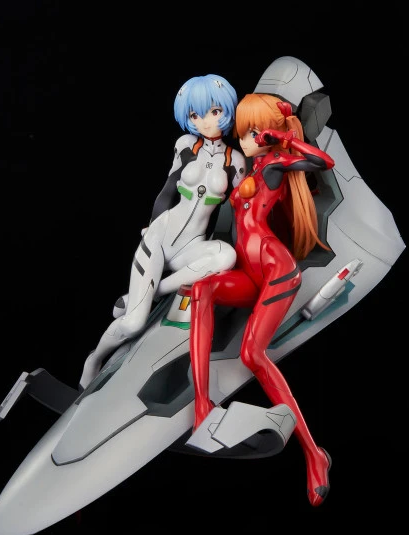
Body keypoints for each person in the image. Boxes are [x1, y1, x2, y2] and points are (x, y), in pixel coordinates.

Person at [188, 93, 335, 507]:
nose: (245, 139)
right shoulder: (251, 167)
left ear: (268, 133)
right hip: (250, 272)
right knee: (202, 290)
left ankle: (314, 454)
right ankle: (202, 407)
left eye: (252, 132)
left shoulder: (273, 164)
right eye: (243, 132)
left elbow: (323, 162)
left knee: (253, 355)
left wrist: (281, 139)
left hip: (276, 271)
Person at [79, 75, 246, 390]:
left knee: (226, 255)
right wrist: (150, 224)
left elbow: (239, 211)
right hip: (161, 236)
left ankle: (148, 293)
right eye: (195, 115)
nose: (205, 121)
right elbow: (168, 189)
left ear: (226, 110)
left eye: (213, 112)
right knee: (133, 323)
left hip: (193, 245)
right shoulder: (185, 145)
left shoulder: (235, 161)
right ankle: (94, 358)